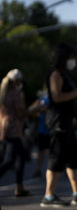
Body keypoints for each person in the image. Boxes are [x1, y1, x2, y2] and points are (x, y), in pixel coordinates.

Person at [40, 43, 77, 208]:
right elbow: (57, 97)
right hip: (58, 121)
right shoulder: (55, 74)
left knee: (74, 156)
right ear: (64, 58)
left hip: (65, 122)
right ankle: (48, 196)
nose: (74, 61)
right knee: (56, 157)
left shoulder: (63, 75)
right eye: (72, 58)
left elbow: (69, 94)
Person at [0, 69, 31, 197]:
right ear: (15, 81)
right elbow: (20, 112)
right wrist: (34, 109)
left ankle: (20, 187)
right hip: (13, 129)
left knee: (21, 157)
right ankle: (19, 188)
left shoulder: (2, 92)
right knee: (9, 160)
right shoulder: (15, 93)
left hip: (4, 127)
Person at [29, 89, 51, 178]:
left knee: (56, 152)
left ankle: (62, 169)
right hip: (44, 130)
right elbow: (31, 109)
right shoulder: (43, 99)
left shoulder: (54, 98)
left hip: (52, 130)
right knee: (41, 152)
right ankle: (38, 170)